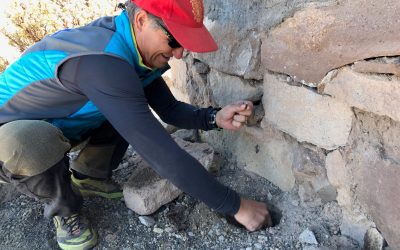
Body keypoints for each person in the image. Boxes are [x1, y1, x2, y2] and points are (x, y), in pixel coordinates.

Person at [0, 0, 272, 249]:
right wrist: (236, 206)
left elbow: (169, 110)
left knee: (126, 110)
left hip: (59, 124)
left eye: (183, 44)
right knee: (27, 140)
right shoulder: (102, 62)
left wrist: (214, 117)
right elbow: (160, 153)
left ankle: (89, 177)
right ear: (141, 20)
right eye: (175, 40)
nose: (178, 54)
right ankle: (65, 210)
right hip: (11, 136)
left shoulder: (134, 52)